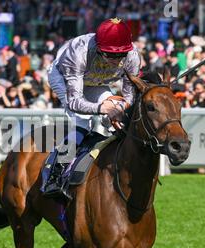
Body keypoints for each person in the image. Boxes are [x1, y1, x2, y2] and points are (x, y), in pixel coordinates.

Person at [41, 17, 141, 197]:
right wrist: (103, 108)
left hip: (97, 82)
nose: (116, 60)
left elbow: (129, 96)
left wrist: (117, 109)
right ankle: (54, 176)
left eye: (121, 55)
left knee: (115, 118)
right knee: (82, 121)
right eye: (110, 54)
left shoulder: (133, 55)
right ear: (99, 47)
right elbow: (74, 102)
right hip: (64, 78)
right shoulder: (78, 52)